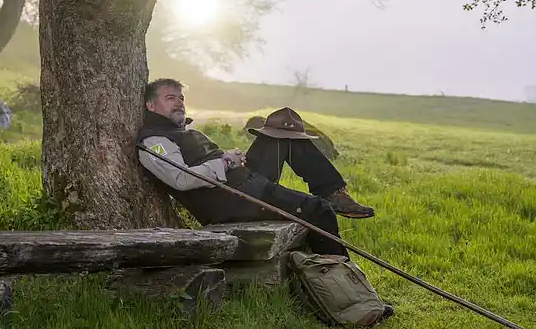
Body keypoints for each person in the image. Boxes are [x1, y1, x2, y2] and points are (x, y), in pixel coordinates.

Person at [135, 78, 376, 258]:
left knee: (282, 131)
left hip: (243, 185)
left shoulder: (176, 132)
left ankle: (335, 193)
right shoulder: (154, 142)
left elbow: (203, 161)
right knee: (318, 211)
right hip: (232, 202)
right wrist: (225, 161)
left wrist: (232, 158)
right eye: (170, 99)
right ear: (151, 106)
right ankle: (344, 289)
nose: (179, 104)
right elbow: (180, 179)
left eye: (181, 98)